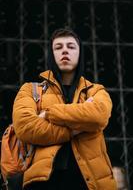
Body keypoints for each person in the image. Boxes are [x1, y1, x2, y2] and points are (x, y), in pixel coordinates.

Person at [13, 28, 117, 190]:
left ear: (79, 53)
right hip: (43, 182)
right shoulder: (30, 90)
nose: (65, 51)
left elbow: (99, 117)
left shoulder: (96, 90)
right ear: (51, 54)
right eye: (58, 47)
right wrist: (75, 129)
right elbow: (25, 127)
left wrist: (48, 113)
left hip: (90, 182)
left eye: (71, 46)